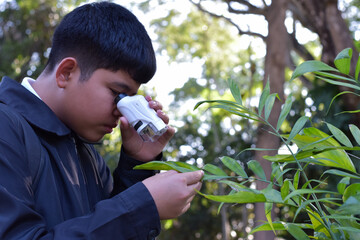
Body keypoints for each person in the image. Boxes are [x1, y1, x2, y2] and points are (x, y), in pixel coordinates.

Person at [0, 2, 203, 239]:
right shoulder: (6, 128)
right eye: (117, 94)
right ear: (66, 72)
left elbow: (103, 224)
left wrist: (137, 164)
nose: (122, 110)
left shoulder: (85, 153)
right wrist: (142, 206)